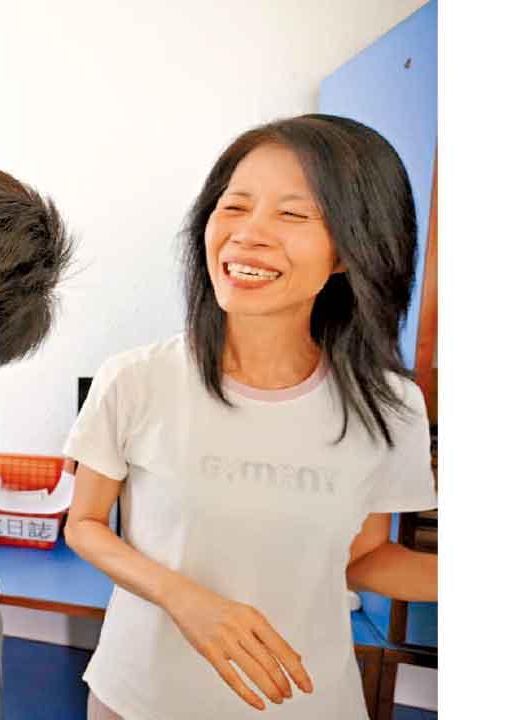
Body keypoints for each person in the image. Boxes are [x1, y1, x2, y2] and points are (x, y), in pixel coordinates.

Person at [62, 114, 438, 719]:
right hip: (143, 696)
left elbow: (364, 556)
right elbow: (85, 524)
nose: (248, 234)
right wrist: (184, 599)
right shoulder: (136, 378)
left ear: (350, 250)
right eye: (234, 206)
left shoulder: (389, 405)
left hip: (306, 701)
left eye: (294, 214)